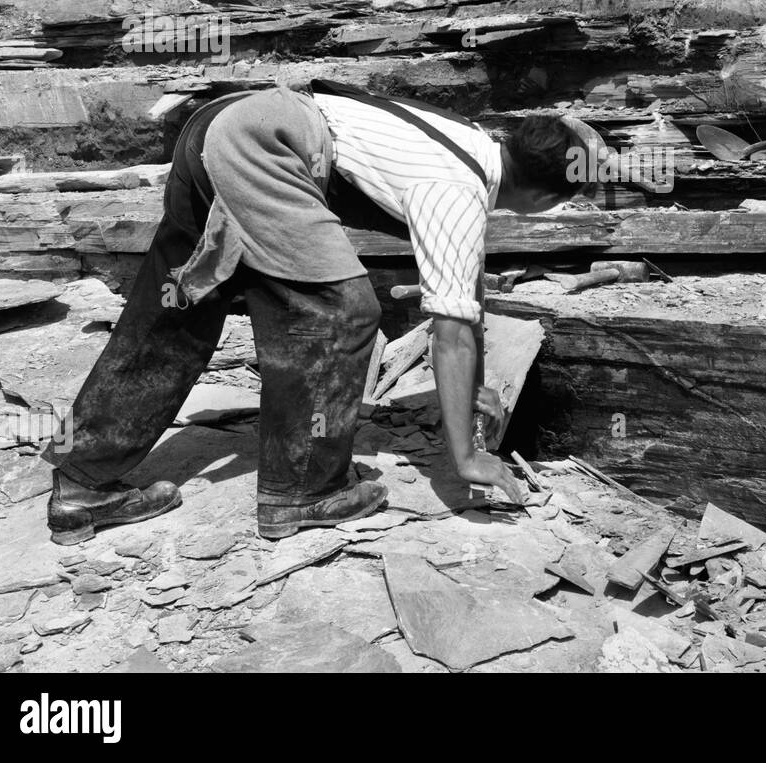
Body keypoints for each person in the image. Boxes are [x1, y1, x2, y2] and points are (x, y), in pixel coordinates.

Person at [41, 80, 590, 544]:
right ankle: (302, 491)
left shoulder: (468, 142)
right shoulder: (454, 190)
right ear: (546, 201)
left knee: (179, 305)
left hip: (218, 127)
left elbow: (464, 289)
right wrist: (466, 457)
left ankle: (84, 481)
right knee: (342, 311)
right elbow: (450, 332)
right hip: (261, 147)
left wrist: (470, 389)